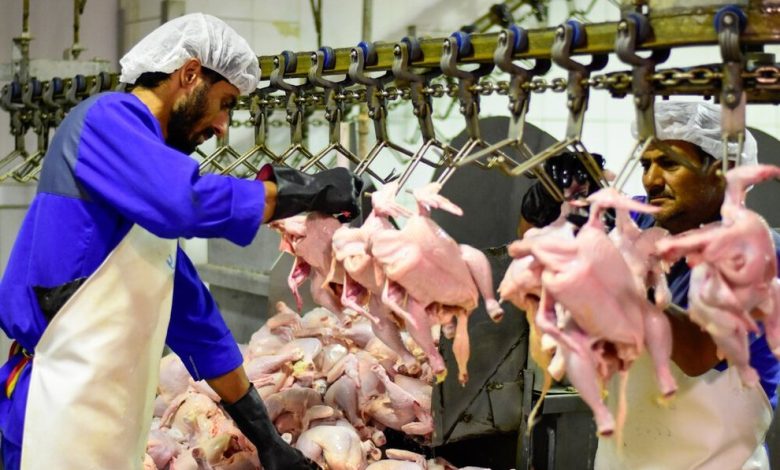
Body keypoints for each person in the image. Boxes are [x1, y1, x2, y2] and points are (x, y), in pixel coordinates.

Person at [0, 13, 361, 470]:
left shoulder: (143, 187)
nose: (223, 125)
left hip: (106, 422)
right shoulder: (105, 119)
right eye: (225, 102)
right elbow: (183, 201)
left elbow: (196, 324)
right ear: (189, 74)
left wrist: (267, 440)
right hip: (49, 409)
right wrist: (302, 193)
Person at [520, 101, 780, 469]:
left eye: (669, 164)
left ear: (724, 172)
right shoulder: (636, 221)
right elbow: (534, 248)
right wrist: (542, 204)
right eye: (645, 164)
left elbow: (698, 354)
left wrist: (618, 278)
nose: (651, 179)